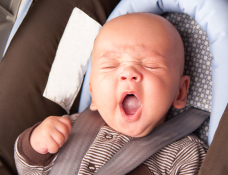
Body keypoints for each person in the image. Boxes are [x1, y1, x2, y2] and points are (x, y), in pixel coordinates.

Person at [14, 13, 207, 174]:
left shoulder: (184, 153)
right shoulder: (69, 129)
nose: (128, 73)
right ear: (93, 94)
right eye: (111, 65)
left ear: (180, 92)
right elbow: (27, 170)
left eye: (150, 65)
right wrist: (34, 144)